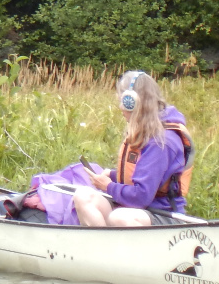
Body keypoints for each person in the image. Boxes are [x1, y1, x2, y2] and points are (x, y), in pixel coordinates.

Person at [72, 71, 193, 227]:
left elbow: (141, 196)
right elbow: (144, 175)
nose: (120, 107)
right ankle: (103, 247)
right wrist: (113, 176)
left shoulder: (161, 142)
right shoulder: (146, 131)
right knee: (83, 196)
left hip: (161, 214)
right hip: (136, 209)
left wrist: (107, 186)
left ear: (132, 101)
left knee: (119, 218)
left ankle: (115, 247)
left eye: (122, 100)